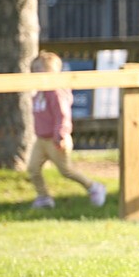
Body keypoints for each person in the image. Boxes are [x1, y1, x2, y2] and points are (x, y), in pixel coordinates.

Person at [27, 52, 106, 209]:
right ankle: (43, 197)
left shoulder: (55, 91)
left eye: (39, 69)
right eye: (34, 69)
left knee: (66, 170)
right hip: (41, 139)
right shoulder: (38, 92)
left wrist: (61, 134)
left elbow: (62, 115)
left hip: (56, 139)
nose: (35, 73)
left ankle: (93, 187)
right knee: (33, 169)